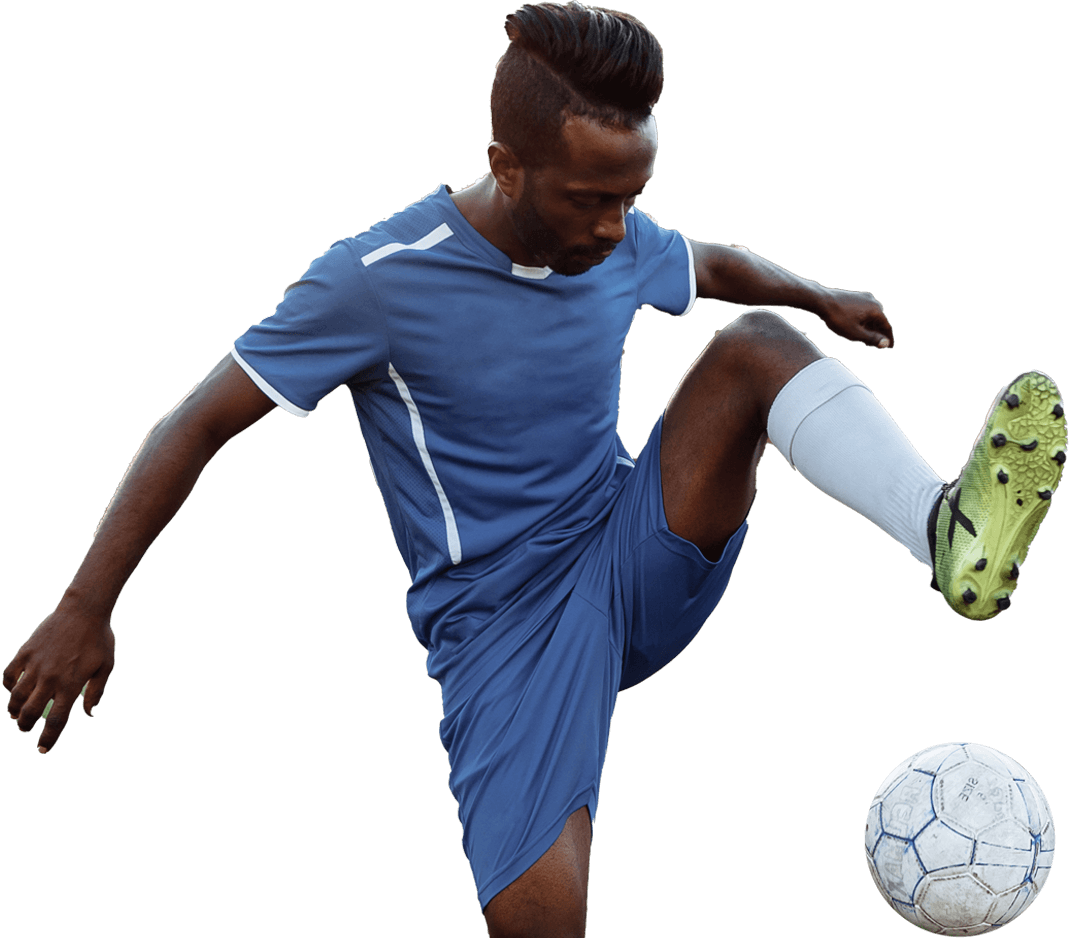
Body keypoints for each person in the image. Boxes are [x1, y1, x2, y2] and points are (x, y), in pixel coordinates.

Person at [5, 3, 1066, 935]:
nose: (616, 227)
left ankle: (940, 528)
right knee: (538, 921)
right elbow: (197, 422)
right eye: (592, 199)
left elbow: (709, 263)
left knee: (753, 345)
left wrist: (816, 296)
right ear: (507, 166)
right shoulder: (376, 280)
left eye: (632, 195)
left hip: (630, 542)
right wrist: (84, 605)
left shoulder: (611, 235)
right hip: (501, 623)